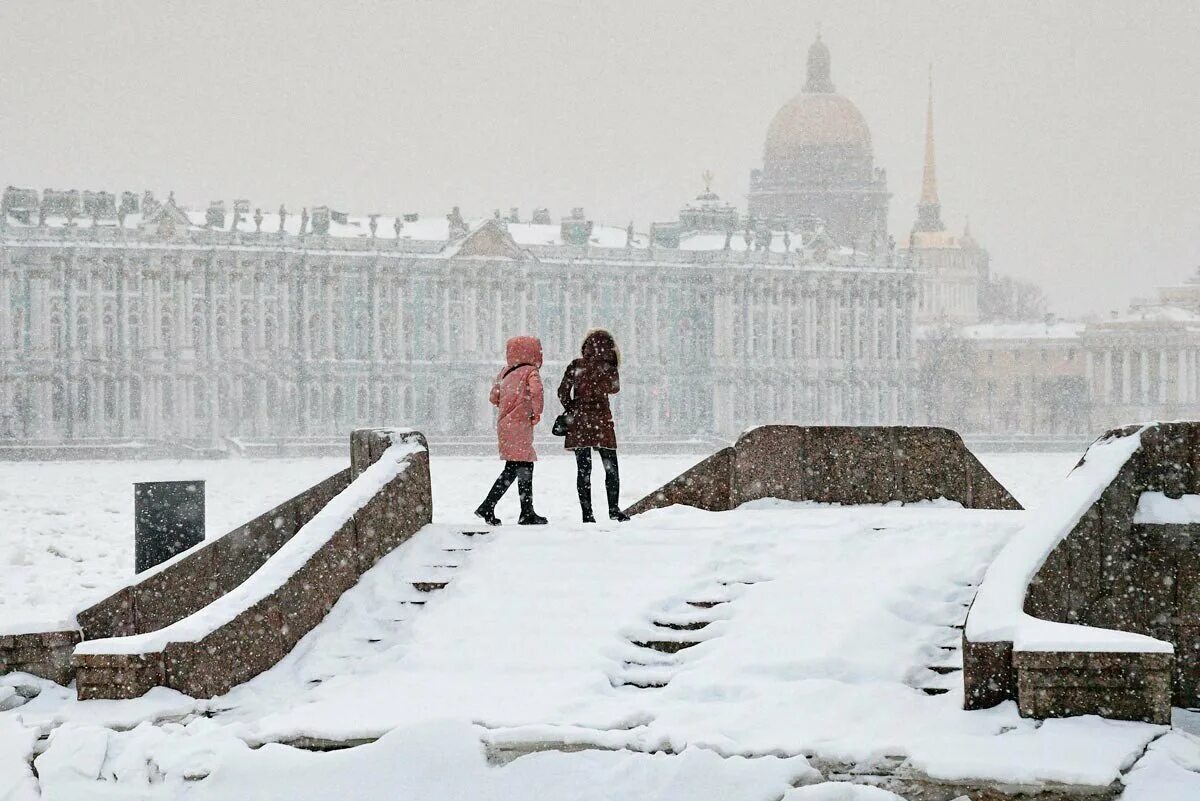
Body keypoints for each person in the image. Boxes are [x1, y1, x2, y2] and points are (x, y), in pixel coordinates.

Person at [475, 335, 548, 525]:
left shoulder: (505, 372)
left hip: (505, 425)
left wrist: (508, 405)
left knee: (519, 465)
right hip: (521, 424)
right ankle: (493, 507)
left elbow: (494, 396)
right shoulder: (530, 372)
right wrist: (536, 411)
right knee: (518, 467)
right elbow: (537, 392)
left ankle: (524, 511)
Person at [558, 329, 630, 522]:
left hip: (579, 423)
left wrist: (574, 407)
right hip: (602, 423)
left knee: (583, 470)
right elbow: (614, 388)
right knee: (611, 468)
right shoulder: (607, 366)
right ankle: (613, 510)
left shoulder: (576, 365)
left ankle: (587, 515)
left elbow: (562, 392)